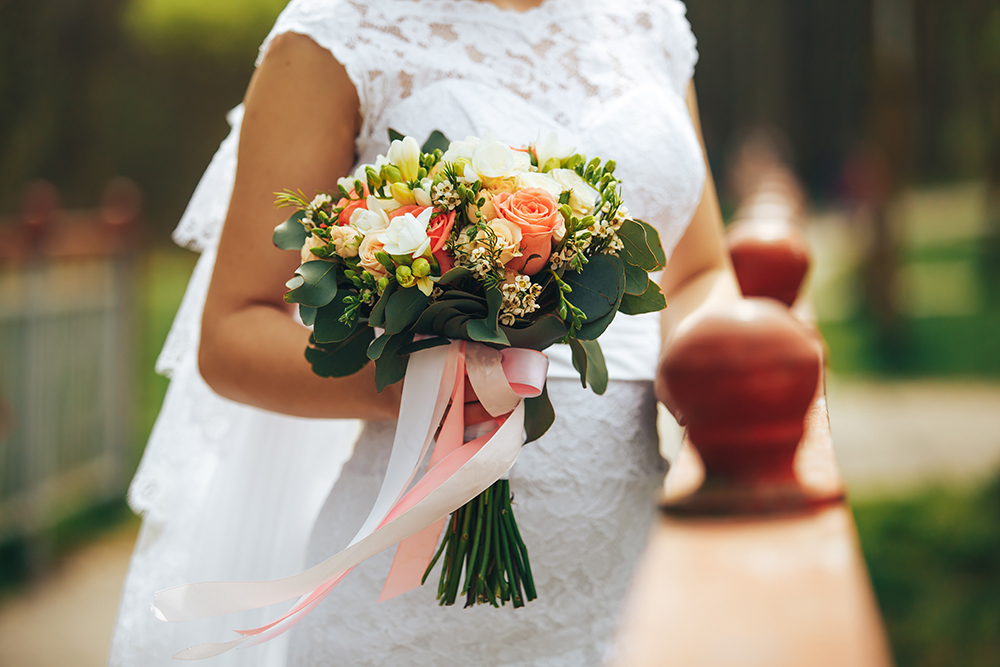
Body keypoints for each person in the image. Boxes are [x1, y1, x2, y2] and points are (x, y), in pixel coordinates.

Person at [109, 0, 743, 665]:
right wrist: (418, 384)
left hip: (633, 588)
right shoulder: (341, 27)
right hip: (411, 617)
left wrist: (709, 374)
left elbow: (699, 271)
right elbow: (232, 332)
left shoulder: (648, 20)